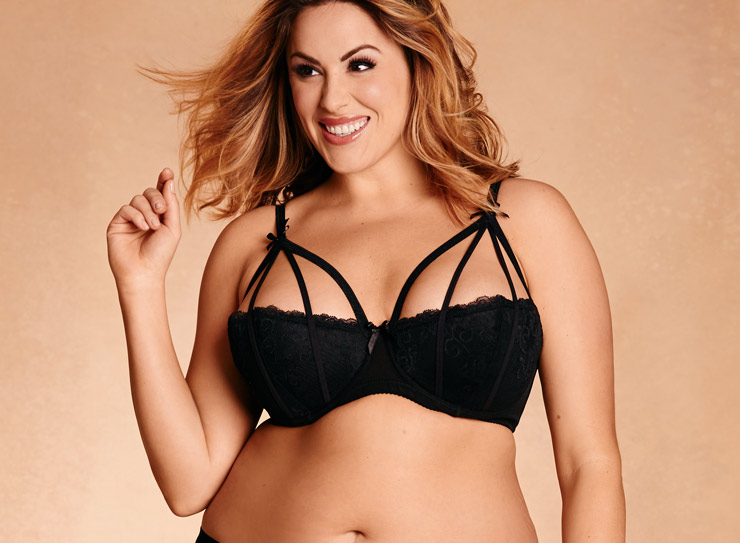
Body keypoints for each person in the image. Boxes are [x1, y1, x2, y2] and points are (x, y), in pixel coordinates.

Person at [106, 0, 625, 541]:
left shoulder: (524, 220)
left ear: (418, 62)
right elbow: (188, 483)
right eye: (308, 70)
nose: (332, 99)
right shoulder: (253, 242)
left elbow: (589, 465)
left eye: (360, 64)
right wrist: (139, 286)